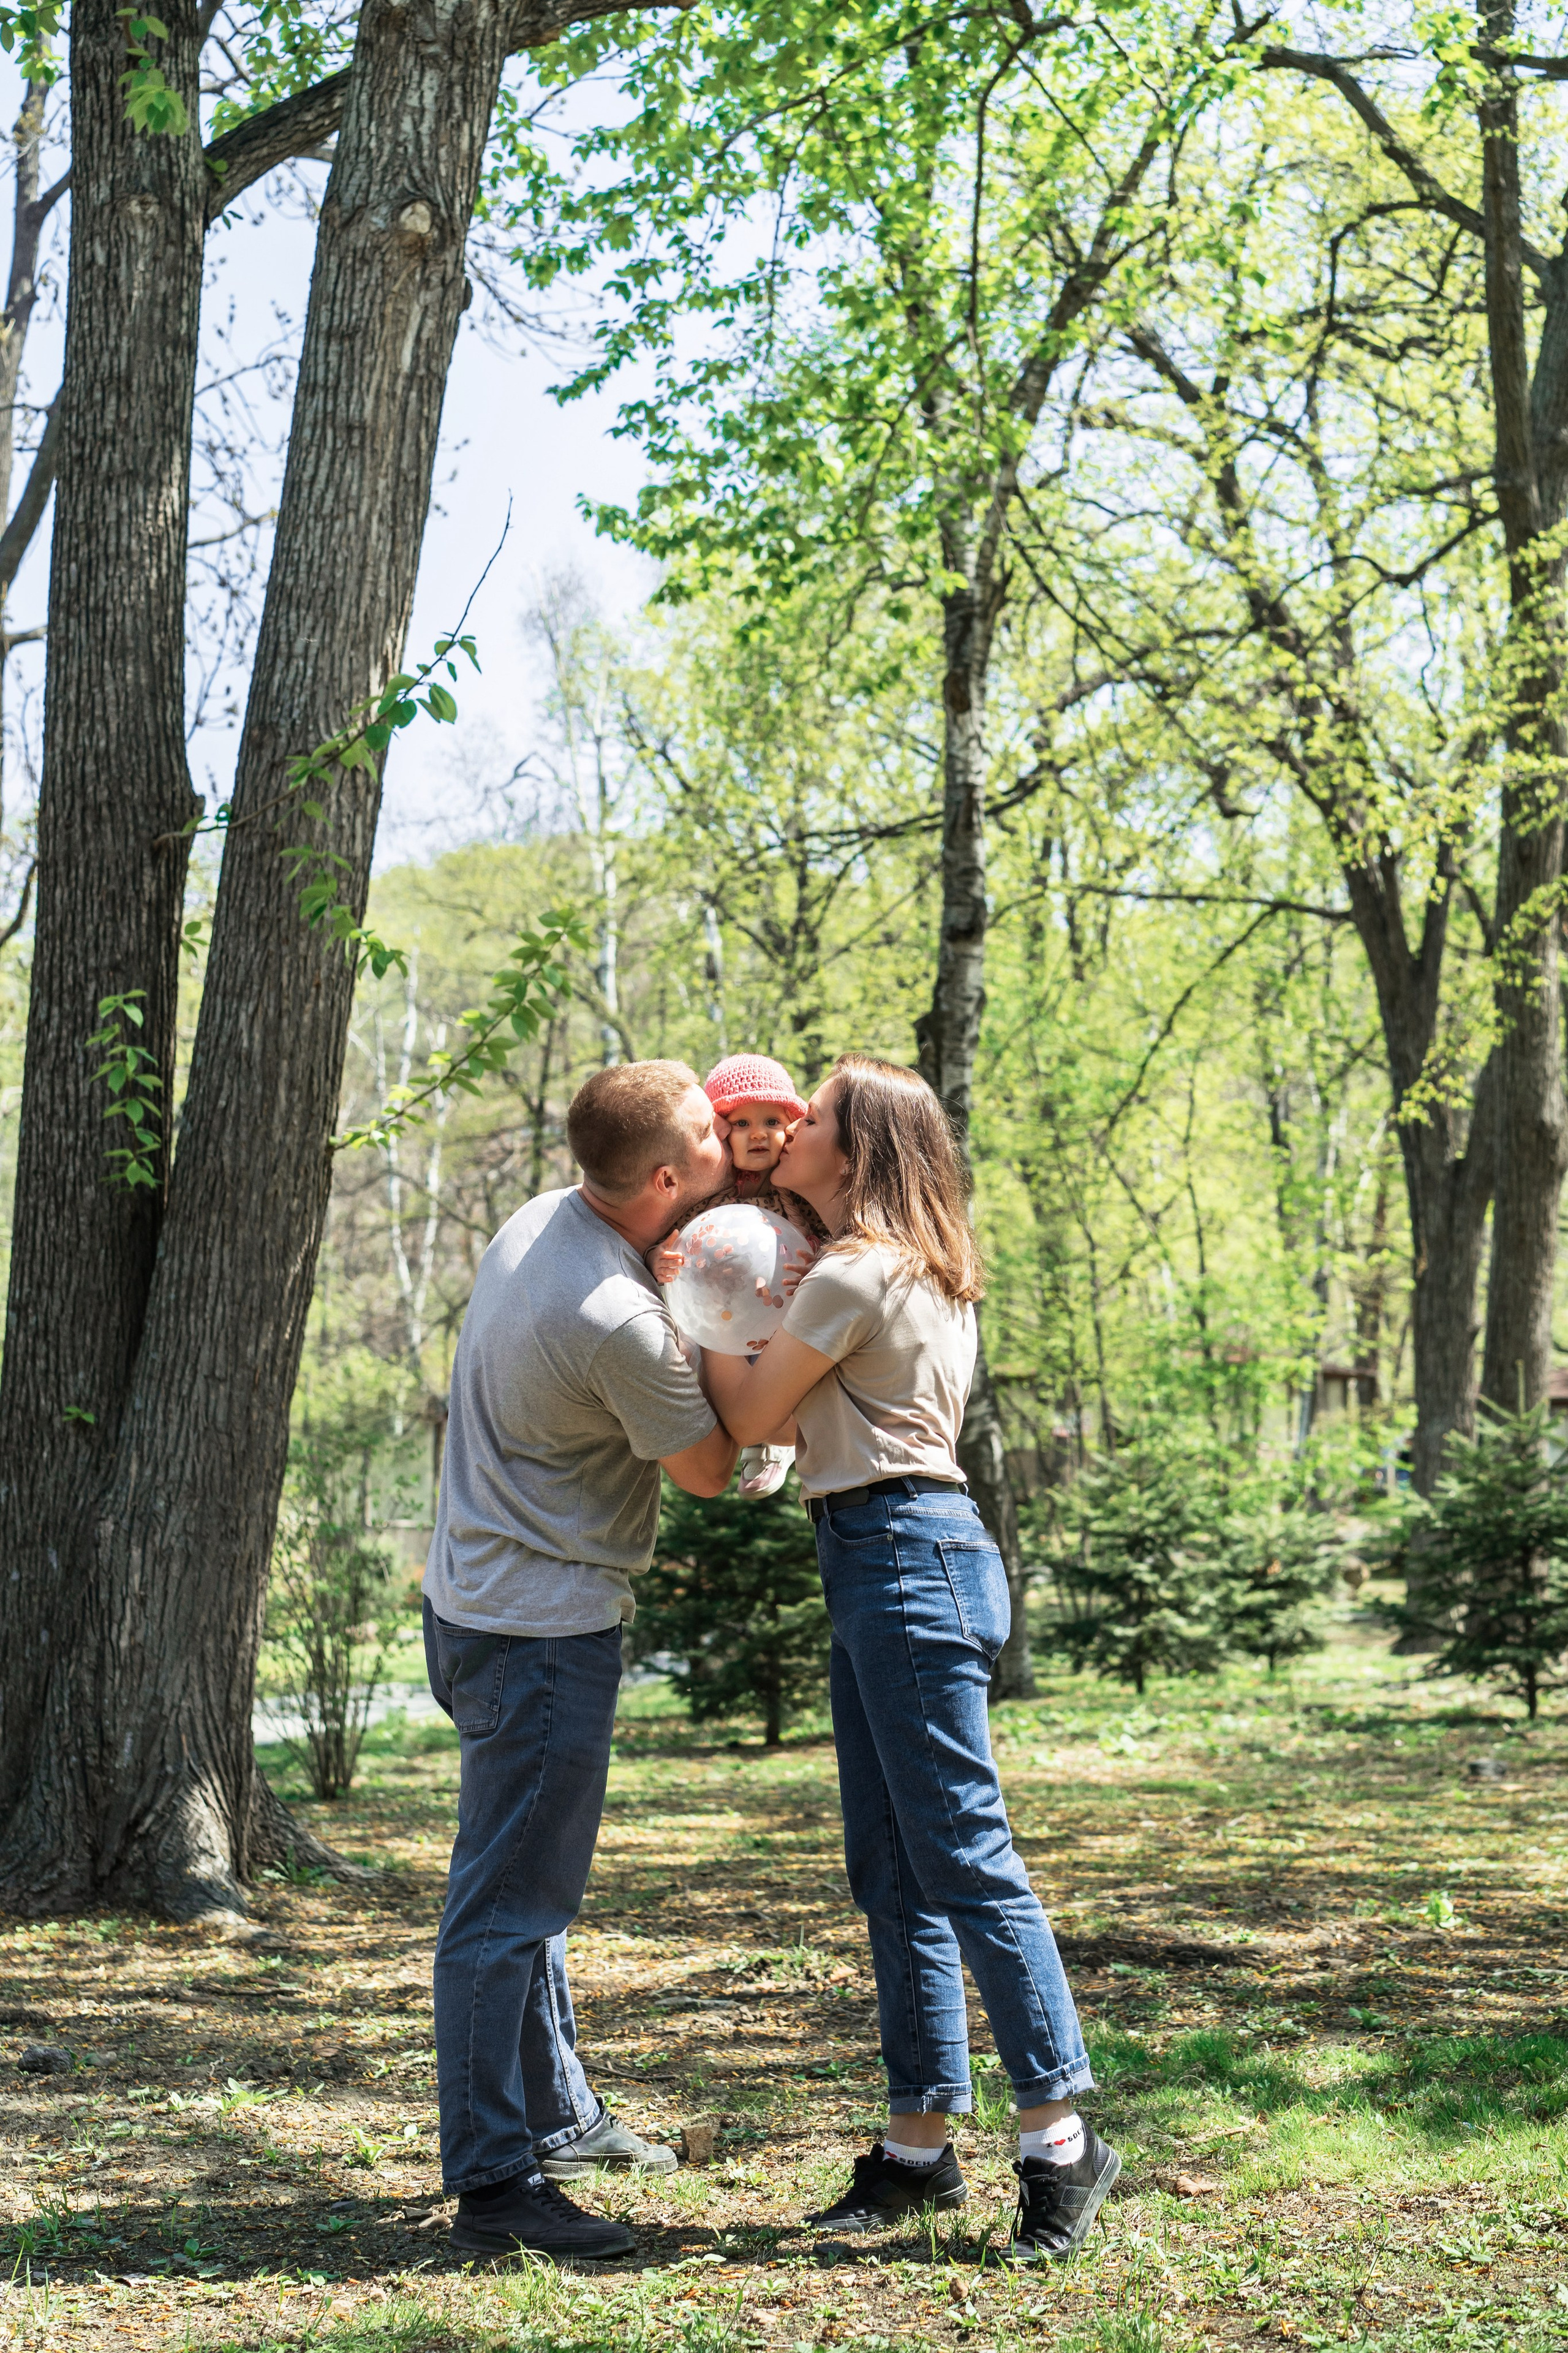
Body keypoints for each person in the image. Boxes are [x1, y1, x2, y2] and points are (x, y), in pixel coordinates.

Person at [699, 1055, 1120, 2263]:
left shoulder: (855, 1272)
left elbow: (748, 1417)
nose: (790, 1132)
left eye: (816, 1117)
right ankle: (917, 2151)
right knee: (896, 1869)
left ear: (862, 1147)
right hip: (894, 1552)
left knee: (965, 1860)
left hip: (900, 1557)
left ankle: (1060, 2143)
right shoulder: (918, 1266)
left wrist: (691, 1307)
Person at [422, 1060, 739, 2262]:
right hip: (539, 1636)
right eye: (713, 1135)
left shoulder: (540, 1219)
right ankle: (497, 2187)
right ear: (665, 1178)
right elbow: (708, 1470)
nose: (730, 1138)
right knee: (503, 1916)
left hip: (473, 1608)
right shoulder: (614, 1314)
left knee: (527, 1901)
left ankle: (556, 2118)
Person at [650, 1052, 827, 1499]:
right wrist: (659, 1259)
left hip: (781, 1308)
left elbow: (824, 1236)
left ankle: (773, 1446)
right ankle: (718, 1436)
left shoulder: (796, 1188)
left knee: (782, 1371)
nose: (759, 1134)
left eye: (771, 1120)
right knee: (690, 1360)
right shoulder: (711, 1190)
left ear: (791, 1124)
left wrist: (814, 1265)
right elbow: (673, 1234)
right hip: (718, 1313)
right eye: (742, 1124)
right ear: (722, 1131)